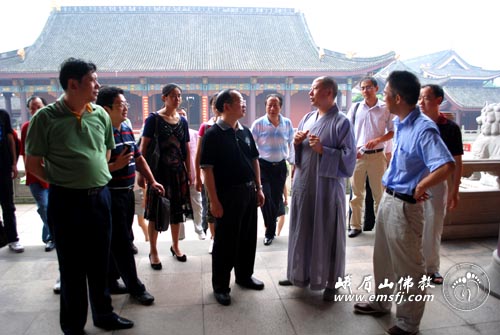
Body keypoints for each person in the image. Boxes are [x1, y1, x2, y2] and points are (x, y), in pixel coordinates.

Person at [25, 58, 134, 334]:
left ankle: (104, 315)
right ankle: (73, 324)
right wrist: (65, 181)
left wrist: (92, 174)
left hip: (100, 198)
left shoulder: (99, 115)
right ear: (73, 84)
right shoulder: (45, 118)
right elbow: (33, 164)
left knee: (100, 262)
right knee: (72, 267)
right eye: (92, 80)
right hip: (66, 202)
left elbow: (107, 151)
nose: (98, 85)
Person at [353, 71, 455, 335]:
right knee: (383, 257)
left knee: (409, 265)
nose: (383, 98)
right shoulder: (401, 123)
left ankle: (409, 323)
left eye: (385, 93)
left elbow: (445, 164)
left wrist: (421, 186)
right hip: (390, 198)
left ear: (397, 97)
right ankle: (381, 302)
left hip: (406, 205)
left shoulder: (423, 128)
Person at [278, 76, 356, 302]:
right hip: (304, 186)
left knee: (328, 232)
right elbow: (296, 156)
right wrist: (296, 142)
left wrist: (324, 150)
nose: (310, 93)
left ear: (329, 92)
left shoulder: (342, 122)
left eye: (314, 89)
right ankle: (298, 274)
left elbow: (349, 161)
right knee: (302, 229)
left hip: (326, 189)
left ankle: (332, 282)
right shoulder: (308, 118)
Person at [97, 86, 164, 305]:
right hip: (109, 194)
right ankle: (135, 287)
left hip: (126, 192)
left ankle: (111, 279)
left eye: (126, 104)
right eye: (121, 105)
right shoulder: (98, 131)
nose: (126, 108)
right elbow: (93, 167)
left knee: (121, 238)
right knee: (123, 243)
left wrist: (152, 180)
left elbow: (139, 157)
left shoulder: (125, 127)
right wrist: (114, 166)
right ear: (106, 109)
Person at [200, 89, 266, 306]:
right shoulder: (213, 134)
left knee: (247, 237)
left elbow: (254, 159)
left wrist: (259, 187)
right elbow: (207, 170)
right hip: (227, 194)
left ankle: (244, 276)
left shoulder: (245, 131)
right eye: (240, 101)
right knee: (225, 241)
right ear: (227, 106)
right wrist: (214, 201)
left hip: (248, 192)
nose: (245, 104)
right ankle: (220, 286)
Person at [139, 83, 192, 269]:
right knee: (155, 212)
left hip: (178, 173)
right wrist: (141, 174)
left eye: (179, 96)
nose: (177, 99)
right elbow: (143, 148)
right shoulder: (153, 119)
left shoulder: (182, 121)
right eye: (173, 96)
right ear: (164, 98)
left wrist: (190, 172)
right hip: (158, 174)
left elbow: (185, 149)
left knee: (177, 212)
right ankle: (153, 250)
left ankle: (175, 245)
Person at [419, 84, 463, 285]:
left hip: (437, 182)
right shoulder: (415, 124)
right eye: (420, 98)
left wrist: (455, 190)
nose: (421, 102)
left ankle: (431, 268)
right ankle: (413, 266)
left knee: (434, 226)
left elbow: (456, 161)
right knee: (412, 226)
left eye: (426, 98)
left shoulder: (450, 128)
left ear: (438, 100)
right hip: (415, 180)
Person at [346, 77, 394, 237]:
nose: (365, 91)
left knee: (379, 194)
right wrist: (353, 149)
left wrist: (379, 140)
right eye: (363, 88)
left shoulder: (385, 108)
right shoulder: (356, 107)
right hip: (358, 156)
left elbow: (393, 131)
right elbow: (347, 131)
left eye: (369, 87)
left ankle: (381, 227)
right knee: (357, 194)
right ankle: (355, 226)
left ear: (376, 88)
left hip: (377, 156)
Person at [250, 94, 294, 246]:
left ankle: (270, 229)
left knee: (276, 199)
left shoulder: (287, 123)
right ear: (265, 106)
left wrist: (293, 162)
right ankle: (270, 231)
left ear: (280, 107)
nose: (272, 108)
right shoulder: (258, 124)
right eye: (269, 105)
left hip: (280, 166)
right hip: (263, 167)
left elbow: (292, 144)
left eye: (275, 105)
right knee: (266, 197)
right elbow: (250, 145)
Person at [20, 95, 55, 252]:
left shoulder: (52, 124)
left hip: (54, 174)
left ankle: (49, 236)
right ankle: (53, 237)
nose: (35, 110)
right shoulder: (26, 127)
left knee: (51, 208)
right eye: (32, 108)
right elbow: (25, 153)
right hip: (35, 174)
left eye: (38, 107)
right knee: (44, 207)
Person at [195, 94, 220, 253]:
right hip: (210, 176)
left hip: (227, 176)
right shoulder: (206, 126)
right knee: (211, 208)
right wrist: (197, 177)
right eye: (214, 105)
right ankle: (213, 238)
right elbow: (199, 154)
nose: (216, 108)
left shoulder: (233, 126)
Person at [177, 108, 206, 240]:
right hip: (178, 176)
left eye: (184, 114)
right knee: (179, 205)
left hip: (194, 175)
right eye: (179, 115)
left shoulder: (194, 134)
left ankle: (199, 228)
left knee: (197, 203)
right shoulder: (173, 135)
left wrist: (200, 175)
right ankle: (180, 234)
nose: (182, 117)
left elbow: (200, 156)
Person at [0, 108, 23, 253]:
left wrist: (14, 163)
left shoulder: (3, 114)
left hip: (3, 166)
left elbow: (10, 139)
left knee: (8, 205)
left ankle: (12, 238)